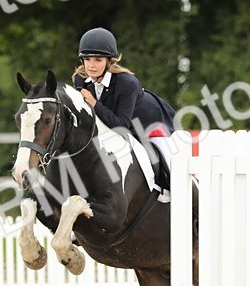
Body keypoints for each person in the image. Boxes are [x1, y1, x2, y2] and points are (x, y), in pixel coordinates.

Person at [72, 27, 176, 188]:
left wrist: (94, 103)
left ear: (109, 61)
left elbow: (121, 125)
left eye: (98, 60)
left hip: (150, 125)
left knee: (172, 172)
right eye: (87, 59)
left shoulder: (126, 83)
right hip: (117, 127)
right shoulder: (81, 79)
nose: (91, 66)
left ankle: (195, 206)